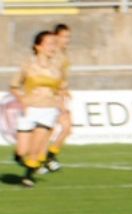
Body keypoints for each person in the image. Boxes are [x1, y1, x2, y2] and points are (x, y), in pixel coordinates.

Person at [9, 31, 65, 187]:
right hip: (29, 110)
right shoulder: (28, 65)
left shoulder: (57, 68)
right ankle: (21, 159)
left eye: (54, 44)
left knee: (36, 149)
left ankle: (27, 178)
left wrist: (61, 106)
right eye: (49, 44)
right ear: (38, 46)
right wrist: (22, 101)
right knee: (22, 152)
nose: (53, 47)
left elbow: (60, 89)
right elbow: (14, 86)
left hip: (48, 111)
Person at [45, 23, 72, 172]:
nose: (67, 40)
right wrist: (60, 96)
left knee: (61, 128)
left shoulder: (63, 53)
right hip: (52, 96)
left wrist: (66, 89)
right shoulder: (54, 54)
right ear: (56, 36)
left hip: (59, 94)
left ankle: (47, 157)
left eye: (69, 37)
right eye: (64, 36)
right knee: (64, 127)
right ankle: (47, 157)